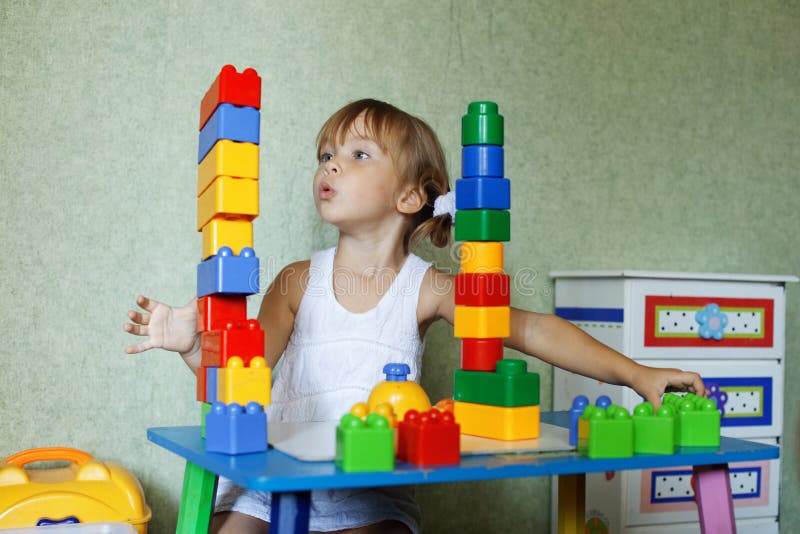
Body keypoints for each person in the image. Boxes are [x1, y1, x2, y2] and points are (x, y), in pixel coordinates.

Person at [124, 99, 705, 534]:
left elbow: (531, 328)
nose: (331, 166)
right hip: (272, 485)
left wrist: (636, 374)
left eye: (356, 154)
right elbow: (240, 382)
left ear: (410, 197)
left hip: (370, 493)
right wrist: (193, 347)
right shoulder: (296, 279)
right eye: (326, 154)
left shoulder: (426, 288)